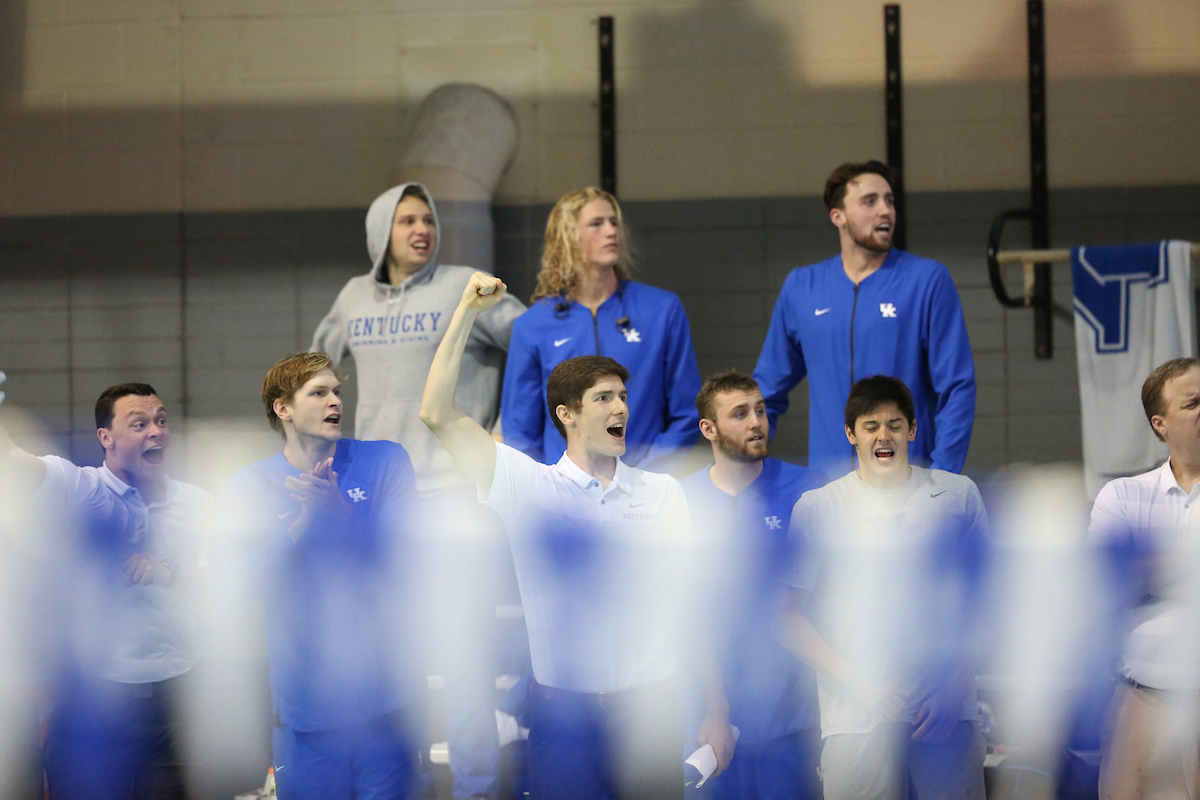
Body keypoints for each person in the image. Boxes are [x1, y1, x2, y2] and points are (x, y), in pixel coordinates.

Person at [420, 272, 735, 799]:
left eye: (623, 396)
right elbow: (436, 414)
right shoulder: (527, 487)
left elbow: (692, 611)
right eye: (603, 398)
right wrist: (467, 312)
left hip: (649, 714)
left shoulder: (662, 494)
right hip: (562, 720)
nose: (621, 408)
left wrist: (717, 710)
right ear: (567, 415)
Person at [311, 182, 523, 798]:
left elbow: (537, 346)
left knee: (462, 659)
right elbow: (312, 369)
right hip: (383, 500)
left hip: (458, 495)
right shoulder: (353, 297)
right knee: (395, 661)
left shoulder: (466, 285)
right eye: (406, 220)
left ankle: (477, 790)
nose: (421, 229)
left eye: (427, 218)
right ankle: (406, 785)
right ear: (382, 231)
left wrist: (508, 425)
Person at [213, 353, 425, 800]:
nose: (336, 402)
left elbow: (408, 561)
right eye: (319, 393)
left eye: (337, 392)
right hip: (306, 711)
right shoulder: (249, 486)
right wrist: (296, 532)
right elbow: (229, 587)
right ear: (283, 409)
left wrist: (339, 515)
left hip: (388, 703)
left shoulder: (385, 460)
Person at [778, 375, 988, 800]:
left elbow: (990, 605)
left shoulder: (956, 495)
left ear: (912, 429)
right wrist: (860, 683)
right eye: (870, 426)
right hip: (855, 717)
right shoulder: (820, 507)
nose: (883, 436)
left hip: (945, 716)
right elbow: (786, 617)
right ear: (850, 434)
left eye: (894, 425)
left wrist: (954, 690)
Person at [0, 384, 211, 800]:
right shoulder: (77, 487)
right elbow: (9, 458)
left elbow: (218, 582)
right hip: (95, 698)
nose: (156, 431)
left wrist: (167, 572)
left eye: (161, 421)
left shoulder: (196, 501)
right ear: (105, 437)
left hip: (177, 698)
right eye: (140, 424)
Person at [753, 160, 975, 477]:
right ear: (838, 216)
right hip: (829, 485)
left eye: (890, 201)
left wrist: (942, 477)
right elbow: (765, 393)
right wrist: (749, 467)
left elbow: (957, 388)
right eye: (870, 201)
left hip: (906, 485)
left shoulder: (927, 281)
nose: (886, 211)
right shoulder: (802, 286)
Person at [680, 371, 825, 800]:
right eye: (740, 414)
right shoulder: (679, 499)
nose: (757, 422)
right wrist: (714, 709)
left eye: (760, 410)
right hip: (708, 723)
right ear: (708, 428)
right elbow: (685, 615)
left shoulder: (810, 490)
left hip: (794, 721)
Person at [502, 186, 701, 473]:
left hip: (644, 481)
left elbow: (687, 411)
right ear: (568, 237)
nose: (611, 231)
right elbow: (519, 431)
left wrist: (648, 476)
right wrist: (547, 484)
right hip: (562, 489)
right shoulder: (533, 325)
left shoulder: (661, 310)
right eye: (596, 224)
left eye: (614, 222)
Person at [1089, 357, 1200, 800]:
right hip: (1143, 700)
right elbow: (1104, 586)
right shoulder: (1122, 495)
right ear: (1161, 424)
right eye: (1193, 403)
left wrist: (1150, 567)